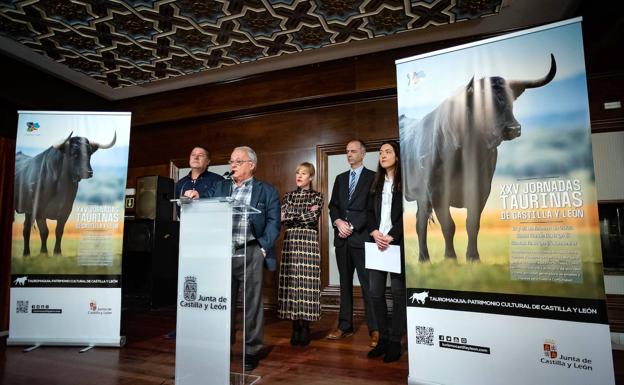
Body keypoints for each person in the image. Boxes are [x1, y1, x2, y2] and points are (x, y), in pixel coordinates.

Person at [208, 146, 280, 371]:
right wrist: (194, 197)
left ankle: (251, 350)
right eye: (231, 161)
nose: (233, 165)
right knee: (222, 304)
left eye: (238, 161)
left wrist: (262, 247)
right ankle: (222, 346)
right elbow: (206, 207)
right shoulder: (221, 187)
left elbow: (273, 222)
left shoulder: (266, 190)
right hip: (223, 251)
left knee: (252, 304)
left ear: (252, 164)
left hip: (250, 251)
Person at [327, 139, 379, 347]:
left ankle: (376, 329)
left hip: (361, 238)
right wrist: (338, 222)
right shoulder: (340, 179)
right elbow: (333, 206)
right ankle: (344, 326)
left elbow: (371, 209)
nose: (349, 154)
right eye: (347, 151)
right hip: (341, 239)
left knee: (368, 285)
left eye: (353, 151)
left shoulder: (373, 178)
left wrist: (351, 225)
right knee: (345, 284)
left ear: (363, 154)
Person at [366, 140, 406, 363]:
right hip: (376, 243)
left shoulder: (405, 181)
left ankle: (394, 342)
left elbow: (409, 212)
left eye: (388, 152)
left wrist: (392, 235)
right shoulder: (376, 181)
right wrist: (373, 232)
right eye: (380, 152)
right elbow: (368, 211)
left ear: (397, 156)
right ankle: (381, 339)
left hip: (396, 243)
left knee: (399, 294)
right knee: (375, 293)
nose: (383, 155)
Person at [277, 162, 324, 346]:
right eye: (297, 173)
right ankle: (295, 326)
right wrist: (303, 212)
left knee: (307, 282)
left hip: (309, 242)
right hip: (291, 241)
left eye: (303, 173)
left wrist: (294, 214)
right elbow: (283, 218)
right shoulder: (288, 196)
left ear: (310, 177)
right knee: (292, 282)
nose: (299, 176)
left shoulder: (317, 196)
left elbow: (313, 218)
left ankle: (305, 326)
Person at [174, 146, 224, 214]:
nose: (196, 157)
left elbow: (221, 207)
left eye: (200, 155)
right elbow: (178, 210)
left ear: (208, 161)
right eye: (193, 155)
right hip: (186, 223)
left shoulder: (218, 180)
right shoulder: (181, 183)